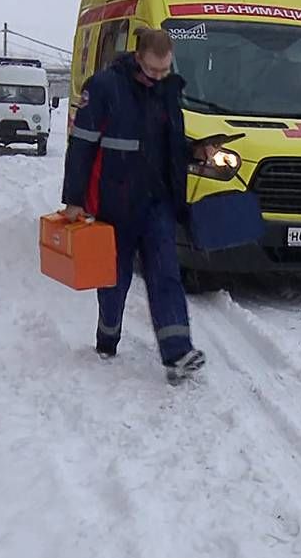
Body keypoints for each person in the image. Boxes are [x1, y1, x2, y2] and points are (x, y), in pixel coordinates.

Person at [61, 28, 206, 384]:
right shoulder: (105, 87)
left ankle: (177, 353)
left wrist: (195, 152)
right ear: (138, 56)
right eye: (153, 70)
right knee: (115, 278)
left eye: (165, 71)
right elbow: (81, 146)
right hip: (116, 202)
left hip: (157, 202)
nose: (158, 77)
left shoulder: (168, 92)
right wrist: (74, 200)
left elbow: (167, 144)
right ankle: (107, 338)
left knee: (166, 274)